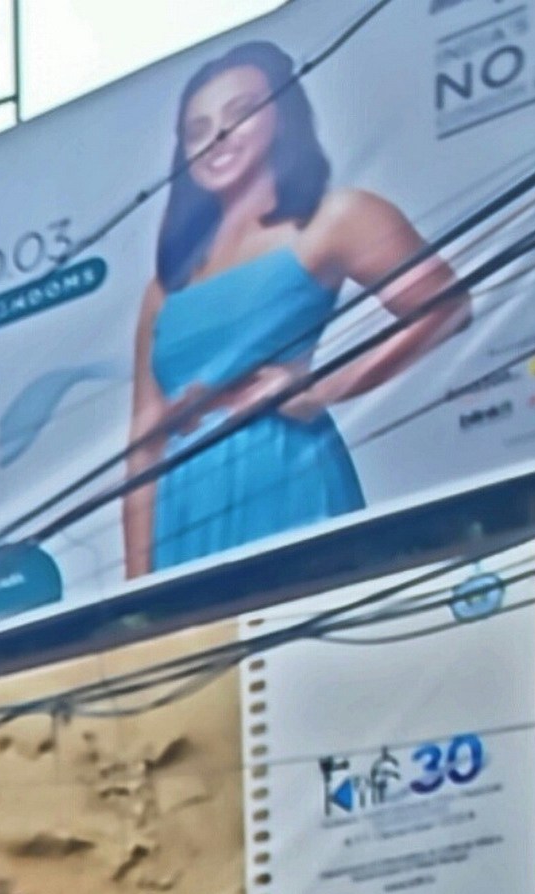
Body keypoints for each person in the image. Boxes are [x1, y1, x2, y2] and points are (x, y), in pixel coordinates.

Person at [126, 40, 460, 582]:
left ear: (283, 118)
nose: (218, 137)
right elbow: (141, 450)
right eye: (197, 128)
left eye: (242, 114)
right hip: (182, 506)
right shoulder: (165, 287)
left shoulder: (335, 216)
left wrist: (323, 386)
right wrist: (136, 592)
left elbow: (445, 304)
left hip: (283, 469)